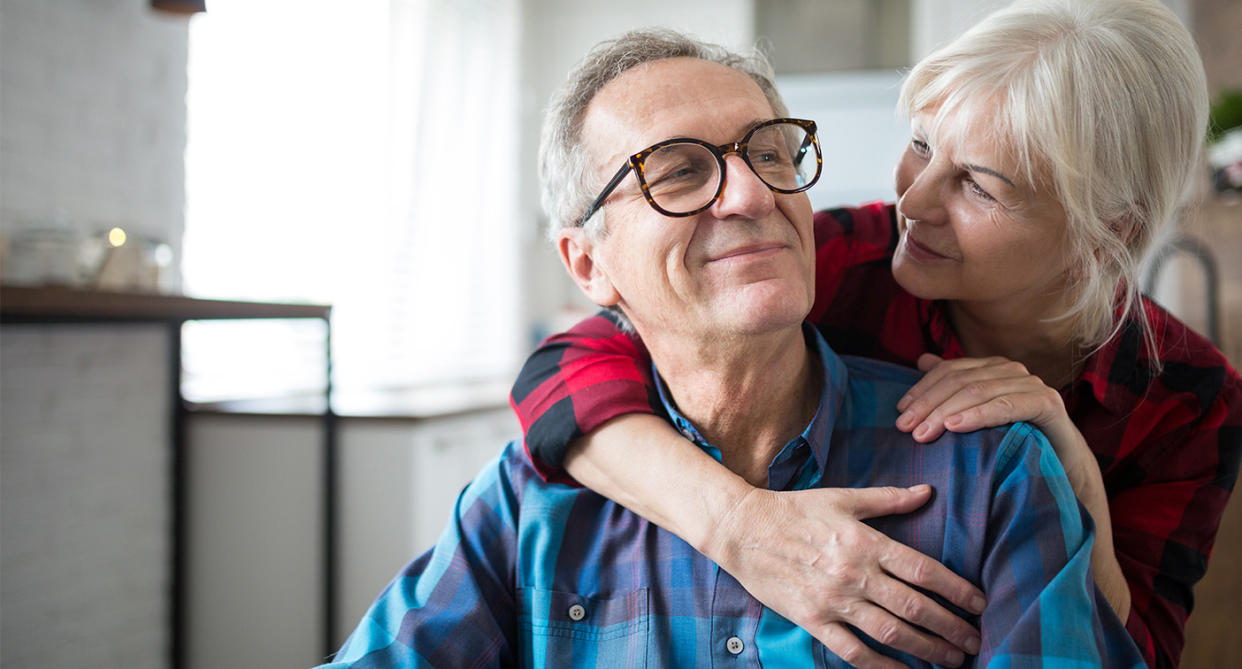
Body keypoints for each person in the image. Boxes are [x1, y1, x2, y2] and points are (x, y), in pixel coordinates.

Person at [324, 28, 1145, 669]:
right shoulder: (526, 501)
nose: (752, 192)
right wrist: (738, 523)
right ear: (588, 264)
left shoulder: (992, 473)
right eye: (678, 171)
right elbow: (553, 373)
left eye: (771, 151)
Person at [508, 0, 1242, 667]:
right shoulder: (841, 259)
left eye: (979, 185)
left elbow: (1138, 649)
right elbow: (561, 370)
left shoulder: (1189, 398)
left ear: (1105, 234)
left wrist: (1077, 478)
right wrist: (739, 525)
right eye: (922, 146)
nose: (913, 201)